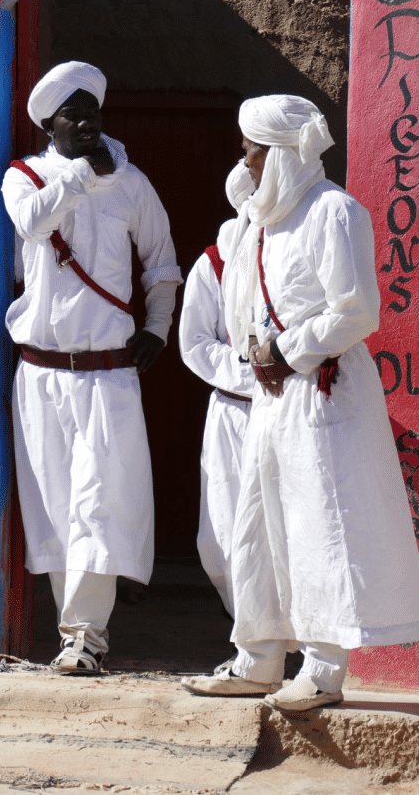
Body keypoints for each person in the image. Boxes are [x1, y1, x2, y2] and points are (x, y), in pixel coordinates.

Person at [182, 95, 419, 711]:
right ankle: (258, 657)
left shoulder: (335, 212)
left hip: (322, 394)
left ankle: (322, 672)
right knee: (258, 528)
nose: (244, 160)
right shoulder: (258, 224)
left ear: (282, 154)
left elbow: (357, 312)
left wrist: (286, 349)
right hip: (268, 398)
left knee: (320, 526)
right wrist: (259, 359)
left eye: (253, 150)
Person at [3, 61, 182, 673]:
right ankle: (70, 632)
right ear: (48, 124)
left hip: (108, 374)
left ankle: (86, 637)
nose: (84, 122)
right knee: (54, 502)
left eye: (92, 112)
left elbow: (162, 262)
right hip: (42, 372)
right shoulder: (25, 176)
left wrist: (158, 327)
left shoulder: (132, 184)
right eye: (71, 115)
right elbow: (30, 222)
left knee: (98, 501)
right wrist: (81, 176)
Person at [179, 162, 257, 628]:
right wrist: (254, 374)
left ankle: (289, 647)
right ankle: (251, 635)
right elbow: (195, 343)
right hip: (233, 410)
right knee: (222, 537)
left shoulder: (301, 253)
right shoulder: (215, 262)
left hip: (291, 409)